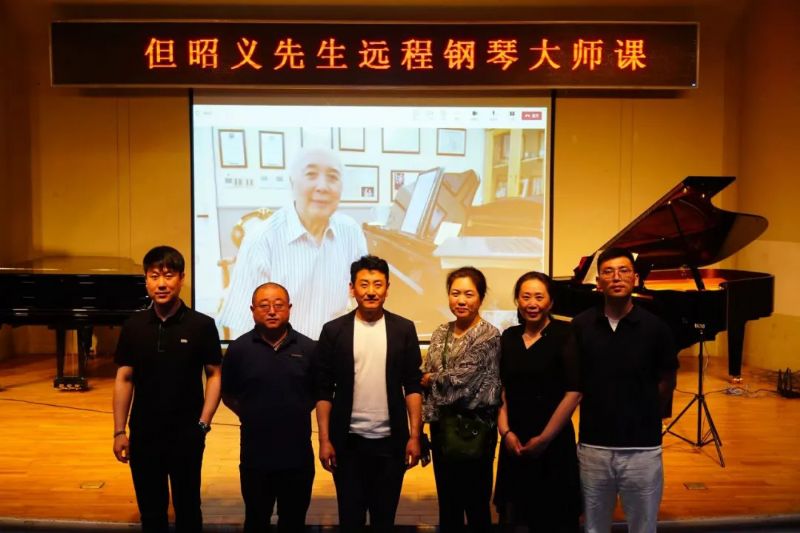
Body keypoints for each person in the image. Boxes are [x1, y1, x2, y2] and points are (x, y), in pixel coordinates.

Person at [112, 246, 222, 533]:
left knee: (188, 507)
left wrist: (203, 423)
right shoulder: (133, 325)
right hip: (144, 433)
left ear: (181, 278)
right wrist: (119, 431)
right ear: (146, 280)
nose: (161, 283)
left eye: (169, 275)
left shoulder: (202, 325)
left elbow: (214, 375)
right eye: (154, 276)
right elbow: (124, 378)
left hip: (187, 434)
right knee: (151, 510)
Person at [569, 247, 679, 533]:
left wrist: (647, 415)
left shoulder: (656, 328)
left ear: (636, 278)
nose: (616, 277)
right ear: (598, 282)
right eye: (608, 272)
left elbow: (667, 379)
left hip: (642, 449)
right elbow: (573, 381)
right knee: (594, 527)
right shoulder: (581, 326)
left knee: (643, 526)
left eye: (623, 271)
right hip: (594, 447)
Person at [314, 255, 423, 532]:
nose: (371, 291)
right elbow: (324, 391)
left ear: (387, 288)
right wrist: (324, 440)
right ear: (352, 288)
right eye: (364, 284)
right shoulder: (333, 331)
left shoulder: (404, 329)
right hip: (347, 443)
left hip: (392, 443)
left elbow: (412, 386)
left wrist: (414, 436)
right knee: (350, 519)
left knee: (384, 520)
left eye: (377, 284)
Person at [219, 147, 368, 340]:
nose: (322, 186)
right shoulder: (261, 239)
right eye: (311, 174)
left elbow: (362, 305)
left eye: (332, 177)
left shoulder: (351, 232)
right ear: (292, 182)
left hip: (335, 354)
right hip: (279, 356)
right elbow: (243, 329)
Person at [221, 282, 316, 532]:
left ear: (289, 308)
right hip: (255, 457)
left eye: (278, 305)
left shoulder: (308, 348)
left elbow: (316, 393)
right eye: (264, 306)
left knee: (293, 522)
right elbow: (228, 394)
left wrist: (292, 412)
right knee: (256, 520)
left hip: (297, 457)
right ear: (252, 310)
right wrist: (252, 413)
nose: (272, 311)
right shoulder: (238, 349)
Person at [493, 272, 582, 533]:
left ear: (551, 302)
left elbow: (574, 392)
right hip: (515, 443)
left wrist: (544, 439)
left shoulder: (566, 334)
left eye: (539, 297)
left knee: (555, 518)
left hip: (554, 440)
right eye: (526, 297)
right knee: (516, 518)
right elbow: (500, 389)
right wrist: (505, 432)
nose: (532, 303)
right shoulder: (509, 337)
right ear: (518, 301)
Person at [420, 266, 501, 533]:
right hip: (442, 430)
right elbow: (429, 376)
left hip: (475, 431)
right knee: (448, 505)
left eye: (469, 294)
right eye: (455, 293)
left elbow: (465, 384)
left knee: (476, 506)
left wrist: (432, 379)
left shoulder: (489, 335)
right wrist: (433, 380)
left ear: (480, 297)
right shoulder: (440, 332)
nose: (461, 300)